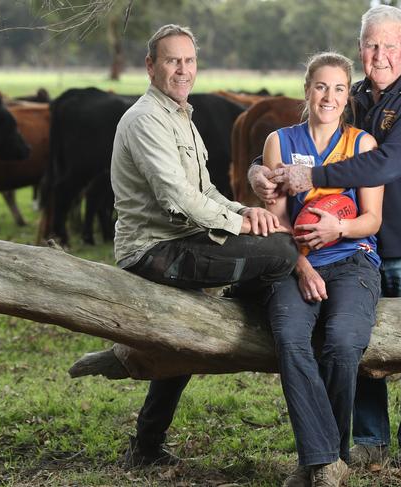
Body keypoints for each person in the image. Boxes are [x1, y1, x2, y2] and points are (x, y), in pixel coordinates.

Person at [249, 4, 401, 471]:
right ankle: (371, 436)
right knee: (358, 342)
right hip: (360, 248)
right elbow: (315, 131)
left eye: (390, 46)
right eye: (372, 45)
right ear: (361, 48)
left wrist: (309, 175)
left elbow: (383, 165)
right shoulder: (352, 95)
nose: (381, 55)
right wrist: (262, 171)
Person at [110, 24, 298, 469]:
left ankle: (147, 446)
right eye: (172, 60)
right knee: (283, 254)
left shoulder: (180, 116)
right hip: (152, 250)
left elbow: (204, 190)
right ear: (150, 66)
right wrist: (240, 224)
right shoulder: (145, 120)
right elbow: (176, 198)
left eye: (189, 60)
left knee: (185, 342)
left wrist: (245, 211)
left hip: (182, 239)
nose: (183, 69)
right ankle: (238, 312)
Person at [264, 52, 382, 487]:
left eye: (338, 89)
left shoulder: (362, 145)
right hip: (295, 265)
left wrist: (339, 227)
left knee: (343, 343)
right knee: (291, 340)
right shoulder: (280, 141)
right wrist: (299, 266)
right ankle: (327, 461)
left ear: (347, 96)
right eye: (320, 87)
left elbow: (373, 219)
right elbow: (276, 221)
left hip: (353, 261)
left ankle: (317, 459)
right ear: (307, 90)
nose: (328, 97)